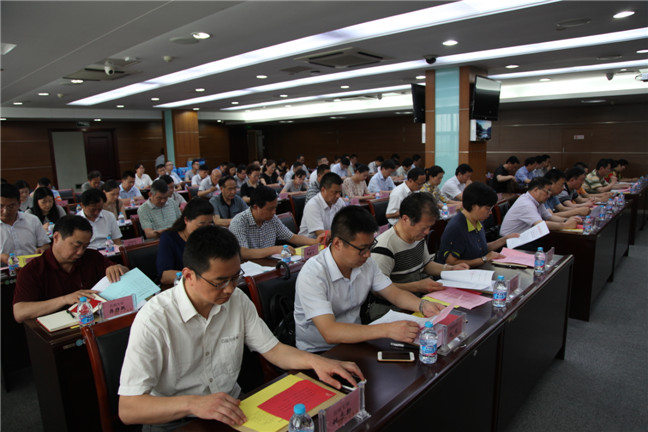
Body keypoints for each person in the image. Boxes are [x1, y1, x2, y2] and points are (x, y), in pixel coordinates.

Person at [119, 225, 363, 428]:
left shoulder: (236, 300)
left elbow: (273, 349)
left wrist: (316, 362)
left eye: (235, 278)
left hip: (233, 409)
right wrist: (193, 404)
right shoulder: (154, 319)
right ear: (189, 275)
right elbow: (128, 409)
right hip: (175, 421)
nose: (229, 289)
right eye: (219, 282)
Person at [294, 206, 445, 353]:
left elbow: (394, 294)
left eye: (370, 246)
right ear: (338, 243)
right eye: (362, 249)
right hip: (320, 352)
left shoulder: (366, 263)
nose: (367, 254)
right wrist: (387, 329)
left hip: (357, 341)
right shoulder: (313, 274)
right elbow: (330, 332)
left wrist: (422, 305)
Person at [12, 215, 127, 323]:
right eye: (76, 245)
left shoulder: (92, 257)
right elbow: (20, 312)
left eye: (85, 246)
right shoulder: (33, 270)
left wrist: (119, 269)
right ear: (56, 237)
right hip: (57, 328)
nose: (80, 252)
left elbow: (126, 274)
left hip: (95, 323)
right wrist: (64, 299)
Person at [372, 193, 468, 295]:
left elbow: (426, 264)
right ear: (405, 219)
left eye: (429, 227)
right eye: (424, 228)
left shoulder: (417, 236)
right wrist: (417, 286)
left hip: (418, 296)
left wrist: (450, 269)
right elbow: (377, 289)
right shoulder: (384, 247)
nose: (427, 232)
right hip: (395, 302)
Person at [437, 182, 519, 267]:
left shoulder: (477, 220)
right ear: (474, 206)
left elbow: (481, 248)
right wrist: (484, 259)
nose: (490, 212)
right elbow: (450, 262)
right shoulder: (456, 228)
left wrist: (505, 239)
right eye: (488, 208)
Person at [229, 186, 322, 260]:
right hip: (249, 269)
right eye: (270, 209)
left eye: (275, 208)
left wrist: (316, 242)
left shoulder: (272, 219)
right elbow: (243, 252)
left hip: (270, 265)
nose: (274, 212)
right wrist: (275, 249)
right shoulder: (239, 222)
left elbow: (292, 237)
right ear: (256, 207)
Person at [156, 199, 214, 285]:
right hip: (181, 285)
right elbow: (165, 276)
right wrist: (198, 277)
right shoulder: (169, 238)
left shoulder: (210, 236)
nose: (205, 229)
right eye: (201, 224)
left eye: (209, 224)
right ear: (186, 220)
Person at [500, 177, 580, 237]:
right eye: (547, 192)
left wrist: (567, 220)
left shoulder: (537, 202)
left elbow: (550, 217)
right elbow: (540, 225)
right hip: (509, 242)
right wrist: (565, 225)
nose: (549, 195)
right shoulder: (526, 204)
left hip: (523, 237)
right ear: (536, 190)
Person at [1, 184, 50, 264]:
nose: (5, 211)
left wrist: (42, 249)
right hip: (5, 269)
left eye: (11, 206)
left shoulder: (32, 220)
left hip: (32, 265)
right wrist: (1, 257)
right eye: (1, 206)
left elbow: (45, 245)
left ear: (19, 204)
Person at [299, 173, 345, 238]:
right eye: (335, 192)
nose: (338, 196)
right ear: (323, 190)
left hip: (330, 240)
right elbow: (320, 233)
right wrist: (345, 232)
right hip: (309, 242)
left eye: (340, 192)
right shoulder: (313, 205)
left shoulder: (339, 202)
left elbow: (345, 223)